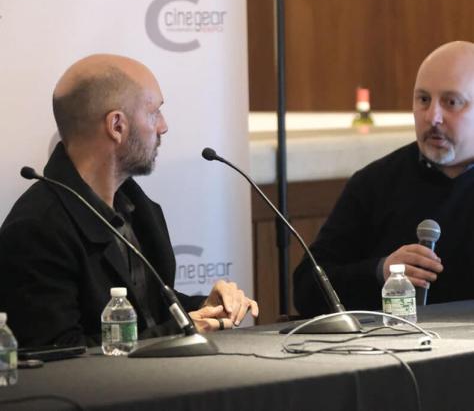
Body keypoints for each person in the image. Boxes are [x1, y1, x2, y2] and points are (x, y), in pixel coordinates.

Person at [0, 54, 258, 347]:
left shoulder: (136, 207)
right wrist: (180, 331)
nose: (163, 126)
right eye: (154, 113)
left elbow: (149, 315)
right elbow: (58, 356)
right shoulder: (37, 230)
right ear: (117, 126)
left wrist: (202, 311)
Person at [294, 41, 474, 317]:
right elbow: (307, 288)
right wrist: (381, 271)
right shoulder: (375, 183)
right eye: (423, 99)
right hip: (394, 352)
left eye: (451, 102)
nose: (432, 117)